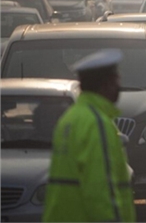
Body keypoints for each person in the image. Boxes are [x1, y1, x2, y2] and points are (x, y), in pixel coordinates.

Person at [43, 49, 136, 222]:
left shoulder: (69, 119)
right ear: (105, 84)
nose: (119, 86)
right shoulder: (97, 123)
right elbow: (100, 191)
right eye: (116, 80)